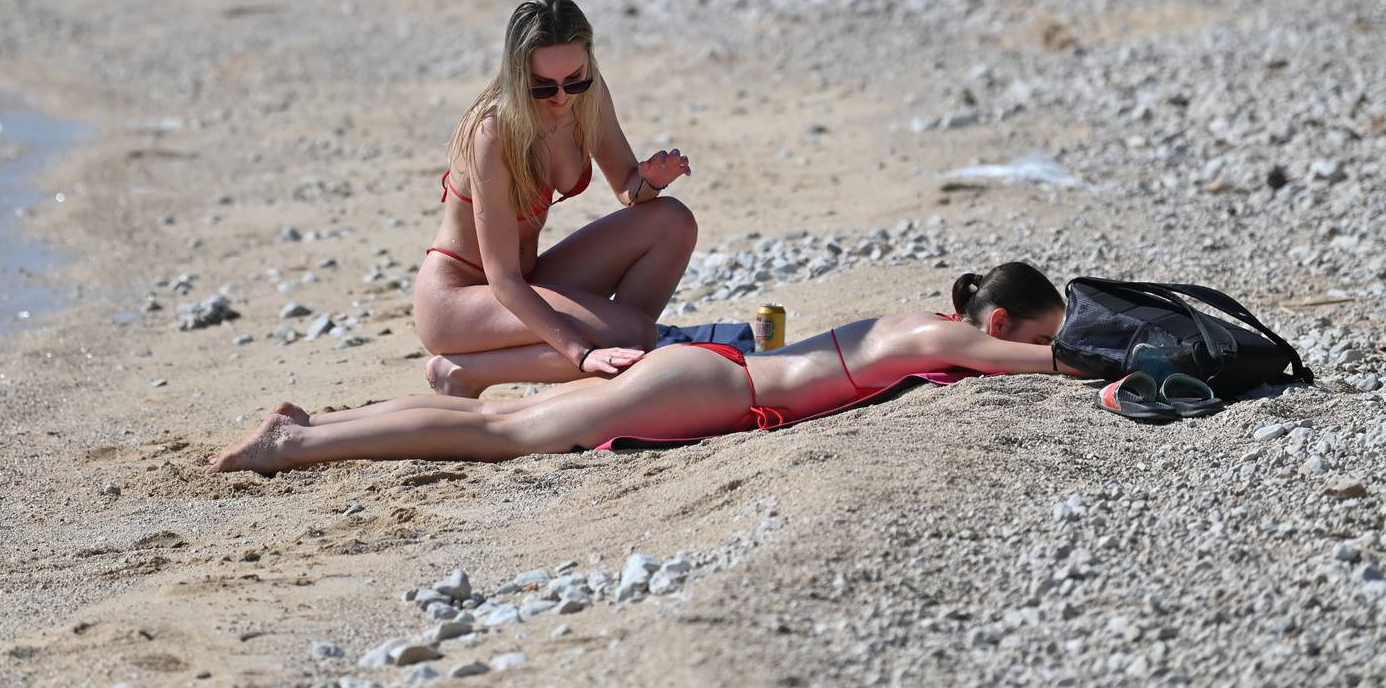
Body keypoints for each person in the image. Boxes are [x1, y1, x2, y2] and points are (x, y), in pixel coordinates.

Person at [209, 263, 1084, 473]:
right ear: (996, 322)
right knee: (503, 433)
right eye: (1014, 335)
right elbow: (1058, 363)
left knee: (500, 423)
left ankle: (314, 424)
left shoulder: (913, 320)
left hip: (712, 375)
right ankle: (293, 440)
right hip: (711, 387)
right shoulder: (948, 340)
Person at [414, 0, 697, 398]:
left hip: (527, 281)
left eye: (575, 80)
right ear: (517, 75)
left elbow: (628, 188)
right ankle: (465, 372)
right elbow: (503, 278)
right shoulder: (492, 133)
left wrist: (650, 180)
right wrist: (579, 351)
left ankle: (613, 366)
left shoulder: (590, 96)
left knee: (673, 222)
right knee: (632, 332)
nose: (563, 98)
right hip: (460, 301)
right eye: (543, 87)